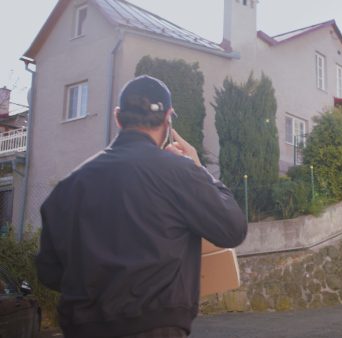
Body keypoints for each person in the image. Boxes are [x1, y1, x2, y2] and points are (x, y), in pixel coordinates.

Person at [35, 75, 248, 338]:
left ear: (118, 117)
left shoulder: (68, 188)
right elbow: (233, 229)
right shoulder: (180, 174)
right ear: (168, 118)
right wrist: (198, 168)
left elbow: (49, 272)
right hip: (156, 328)